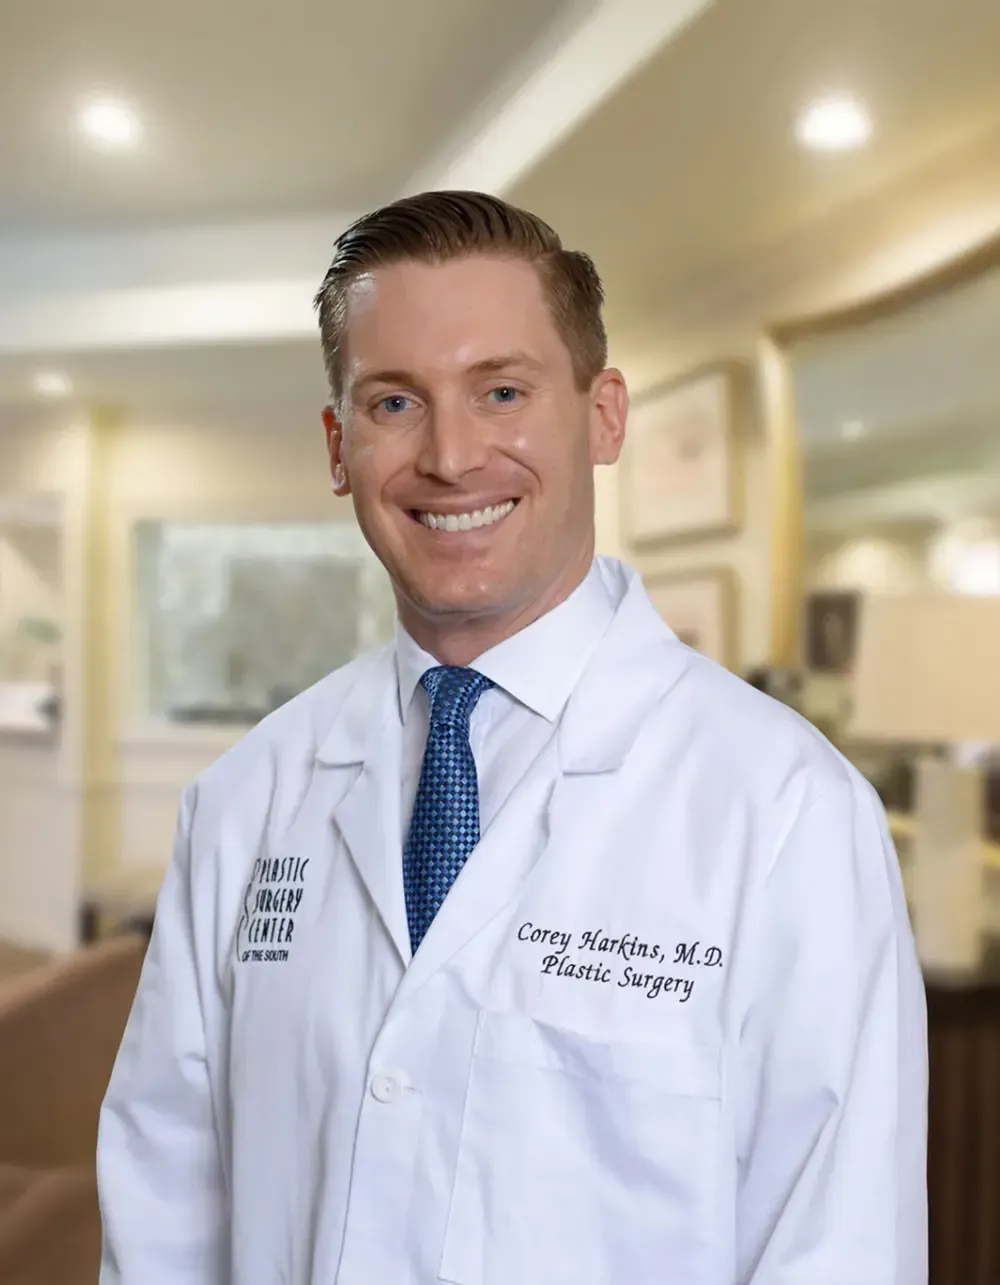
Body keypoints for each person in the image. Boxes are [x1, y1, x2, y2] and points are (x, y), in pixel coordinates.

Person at [96, 191, 928, 1284]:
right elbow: (165, 1210)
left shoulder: (784, 811)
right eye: (396, 402)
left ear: (603, 415)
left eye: (501, 389)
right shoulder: (245, 798)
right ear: (340, 446)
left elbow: (841, 1249)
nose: (449, 455)